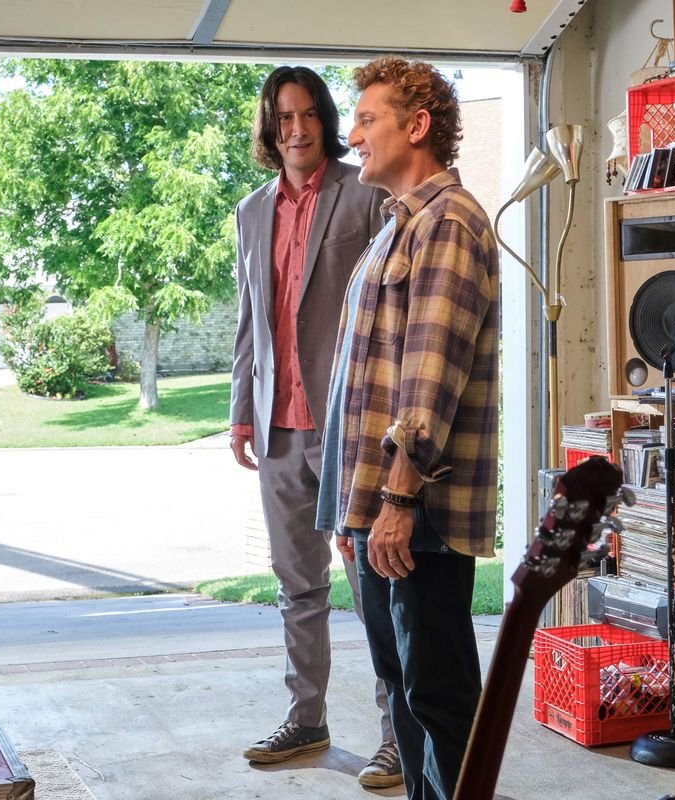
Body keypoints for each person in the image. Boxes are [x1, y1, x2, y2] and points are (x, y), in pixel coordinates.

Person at [316, 56, 499, 800]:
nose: (351, 134)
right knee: (404, 690)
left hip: (417, 511)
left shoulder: (449, 223)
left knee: (438, 696)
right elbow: (370, 380)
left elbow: (427, 380)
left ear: (416, 126)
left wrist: (394, 500)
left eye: (366, 119)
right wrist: (355, 512)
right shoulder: (398, 227)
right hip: (382, 510)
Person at [230, 65, 401, 787]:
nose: (295, 130)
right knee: (296, 585)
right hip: (278, 425)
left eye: (306, 115)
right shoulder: (250, 211)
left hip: (350, 425)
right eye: (283, 118)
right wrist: (242, 408)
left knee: (371, 586)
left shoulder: (365, 194)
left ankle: (400, 732)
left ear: (324, 120)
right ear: (269, 129)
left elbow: (391, 308)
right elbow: (252, 321)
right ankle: (308, 719)